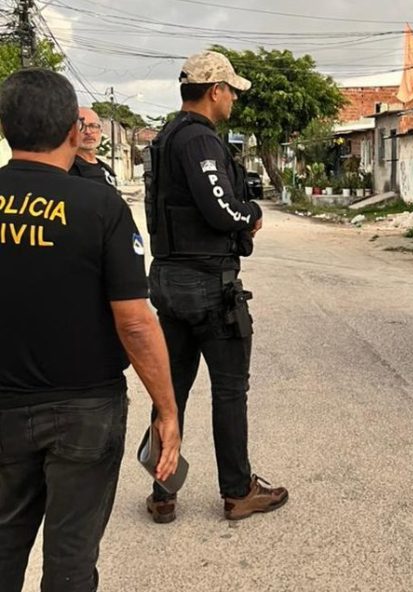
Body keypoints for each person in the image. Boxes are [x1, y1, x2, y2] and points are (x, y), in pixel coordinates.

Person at [0, 69, 180, 592]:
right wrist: (166, 410)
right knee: (72, 557)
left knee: (5, 541)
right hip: (85, 410)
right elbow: (135, 321)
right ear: (73, 132)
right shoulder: (99, 207)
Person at [144, 50, 287, 523]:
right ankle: (237, 490)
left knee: (172, 391)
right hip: (207, 285)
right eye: (231, 91)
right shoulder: (200, 140)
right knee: (229, 390)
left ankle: (163, 492)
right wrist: (252, 216)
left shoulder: (166, 137)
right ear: (214, 91)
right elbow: (220, 208)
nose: (233, 101)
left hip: (169, 282)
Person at [68, 107, 118, 188]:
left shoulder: (105, 169)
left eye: (93, 126)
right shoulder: (68, 169)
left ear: (101, 130)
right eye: (81, 126)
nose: (88, 132)